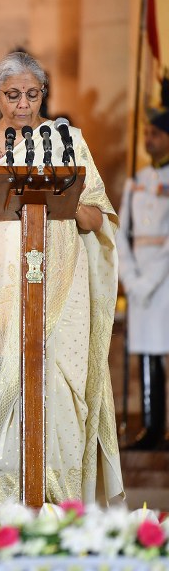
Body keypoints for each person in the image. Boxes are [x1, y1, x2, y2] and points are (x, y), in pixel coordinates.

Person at [0, 51, 124, 505]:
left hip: (60, 290)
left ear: (43, 94)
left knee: (60, 392)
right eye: (13, 95)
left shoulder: (66, 143)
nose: (23, 104)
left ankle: (60, 505)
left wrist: (70, 205)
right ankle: (11, 503)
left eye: (32, 94)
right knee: (7, 394)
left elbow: (99, 219)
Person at [117, 81, 169, 450]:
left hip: (164, 282)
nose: (148, 139)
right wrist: (131, 279)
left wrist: (149, 281)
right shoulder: (137, 181)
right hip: (138, 281)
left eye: (155, 133)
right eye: (147, 132)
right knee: (147, 352)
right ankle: (151, 428)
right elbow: (121, 232)